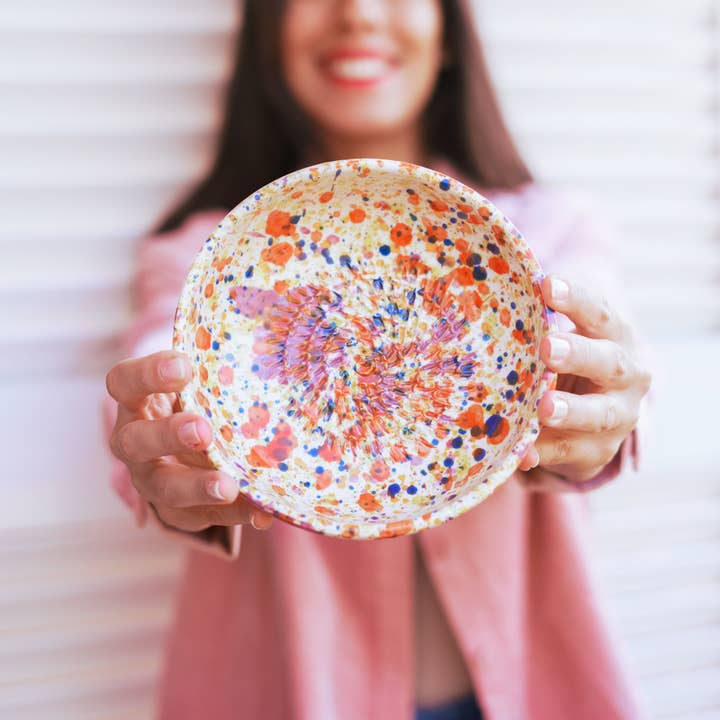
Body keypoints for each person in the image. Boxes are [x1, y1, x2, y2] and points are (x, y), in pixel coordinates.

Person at [103, 1, 653, 718]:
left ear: (449, 31)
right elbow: (158, 350)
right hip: (292, 695)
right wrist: (162, 437)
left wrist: (599, 413)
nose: (358, 14)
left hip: (530, 690)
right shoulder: (201, 257)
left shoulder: (551, 231)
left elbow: (614, 342)